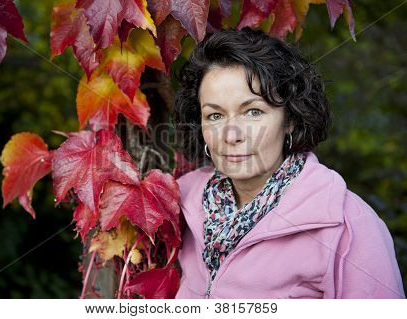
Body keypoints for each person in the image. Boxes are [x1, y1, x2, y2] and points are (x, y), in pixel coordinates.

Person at [171, 27, 405, 299]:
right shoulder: (180, 205)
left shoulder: (349, 226)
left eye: (253, 112)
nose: (231, 135)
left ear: (290, 120)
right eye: (214, 116)